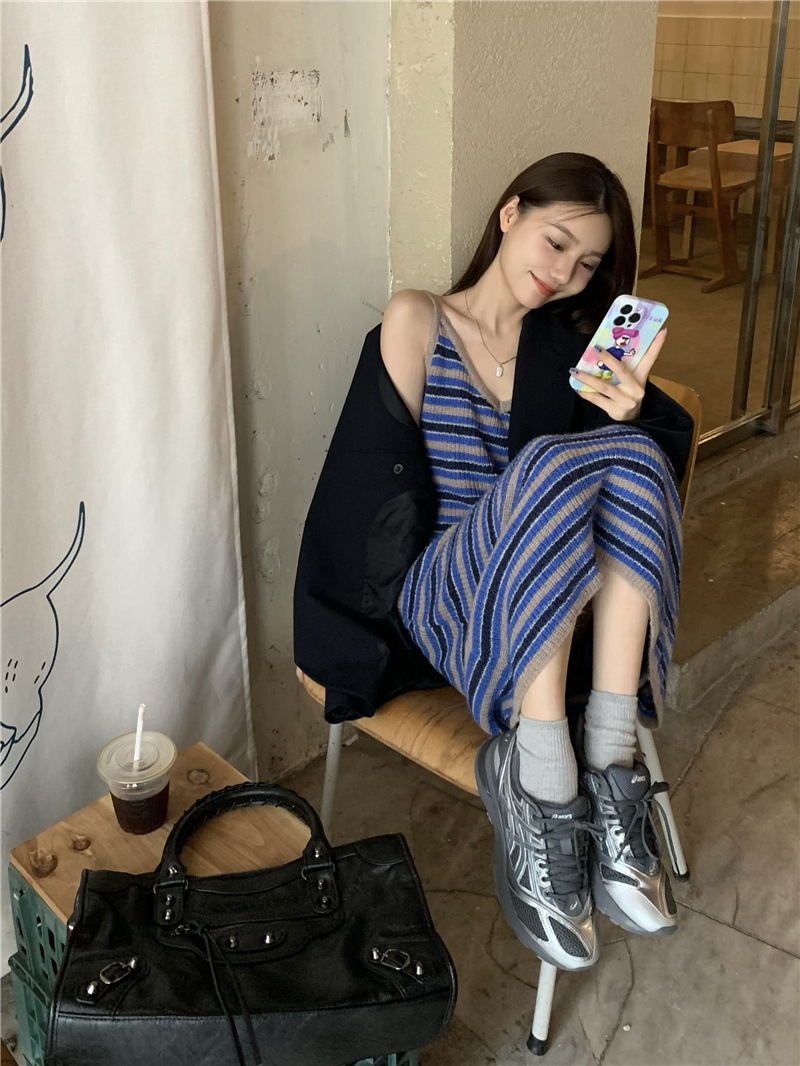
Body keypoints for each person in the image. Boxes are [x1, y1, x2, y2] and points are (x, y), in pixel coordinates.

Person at [294, 152, 694, 973]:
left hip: (541, 601)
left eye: (587, 264)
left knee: (635, 456)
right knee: (549, 467)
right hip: (438, 592)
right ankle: (545, 783)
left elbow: (617, 497)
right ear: (510, 214)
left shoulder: (569, 348)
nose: (566, 275)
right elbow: (370, 492)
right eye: (556, 243)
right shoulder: (418, 320)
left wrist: (631, 415)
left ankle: (607, 766)